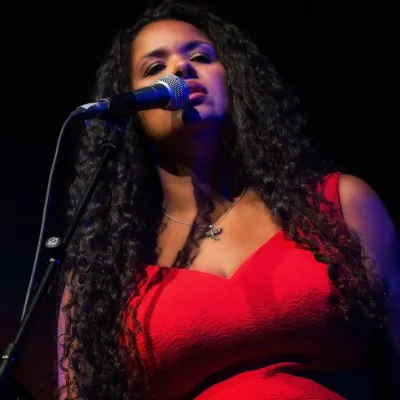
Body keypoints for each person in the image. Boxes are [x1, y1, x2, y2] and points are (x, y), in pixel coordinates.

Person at [57, 1, 400, 399]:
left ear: (233, 80)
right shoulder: (105, 275)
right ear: (132, 113)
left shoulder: (337, 205)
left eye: (200, 57)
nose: (181, 69)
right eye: (154, 68)